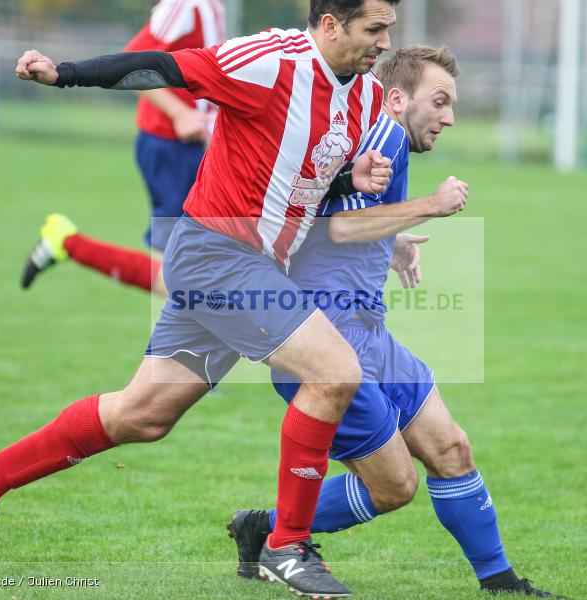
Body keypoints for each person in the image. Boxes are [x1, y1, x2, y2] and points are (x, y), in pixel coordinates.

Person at [0, 2, 398, 598]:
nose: (386, 42)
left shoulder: (362, 94)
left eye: (390, 28)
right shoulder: (268, 61)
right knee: (335, 372)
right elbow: (162, 66)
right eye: (374, 29)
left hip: (252, 265)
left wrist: (348, 180)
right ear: (331, 24)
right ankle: (286, 547)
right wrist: (66, 73)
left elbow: (293, 171)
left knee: (142, 414)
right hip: (217, 256)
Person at [224, 46, 569, 598]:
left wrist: (392, 240)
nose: (449, 117)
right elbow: (339, 228)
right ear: (397, 99)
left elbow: (334, 221)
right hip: (328, 343)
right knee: (395, 487)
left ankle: (501, 583)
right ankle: (269, 531)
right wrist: (429, 206)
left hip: (371, 334)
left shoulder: (376, 139)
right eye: (440, 101)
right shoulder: (383, 136)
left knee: (451, 449)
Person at [21, 0, 226, 296]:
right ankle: (67, 242)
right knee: (183, 277)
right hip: (171, 145)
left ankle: (66, 243)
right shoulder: (184, 5)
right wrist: (179, 113)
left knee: (204, 272)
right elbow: (132, 59)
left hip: (197, 146)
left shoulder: (210, 6)